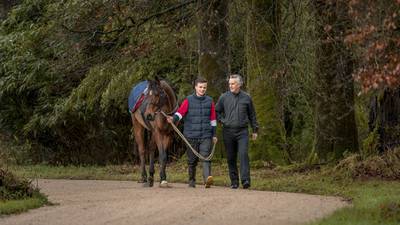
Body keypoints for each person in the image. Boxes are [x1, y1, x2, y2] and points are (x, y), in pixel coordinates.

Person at [167, 77, 218, 188]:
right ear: (195, 87)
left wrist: (214, 134)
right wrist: (173, 119)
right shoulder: (188, 100)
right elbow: (180, 113)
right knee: (192, 160)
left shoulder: (210, 101)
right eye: (200, 87)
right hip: (191, 135)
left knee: (206, 156)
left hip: (206, 134)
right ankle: (191, 180)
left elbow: (213, 119)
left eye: (204, 87)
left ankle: (207, 179)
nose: (202, 89)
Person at [215, 74, 259, 189]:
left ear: (239, 84)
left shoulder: (247, 97)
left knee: (243, 154)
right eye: (229, 83)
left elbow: (252, 115)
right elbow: (216, 111)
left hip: (242, 132)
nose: (230, 85)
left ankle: (245, 181)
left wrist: (255, 130)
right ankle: (234, 181)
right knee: (230, 157)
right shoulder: (223, 97)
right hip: (228, 131)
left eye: (233, 83)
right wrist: (222, 120)